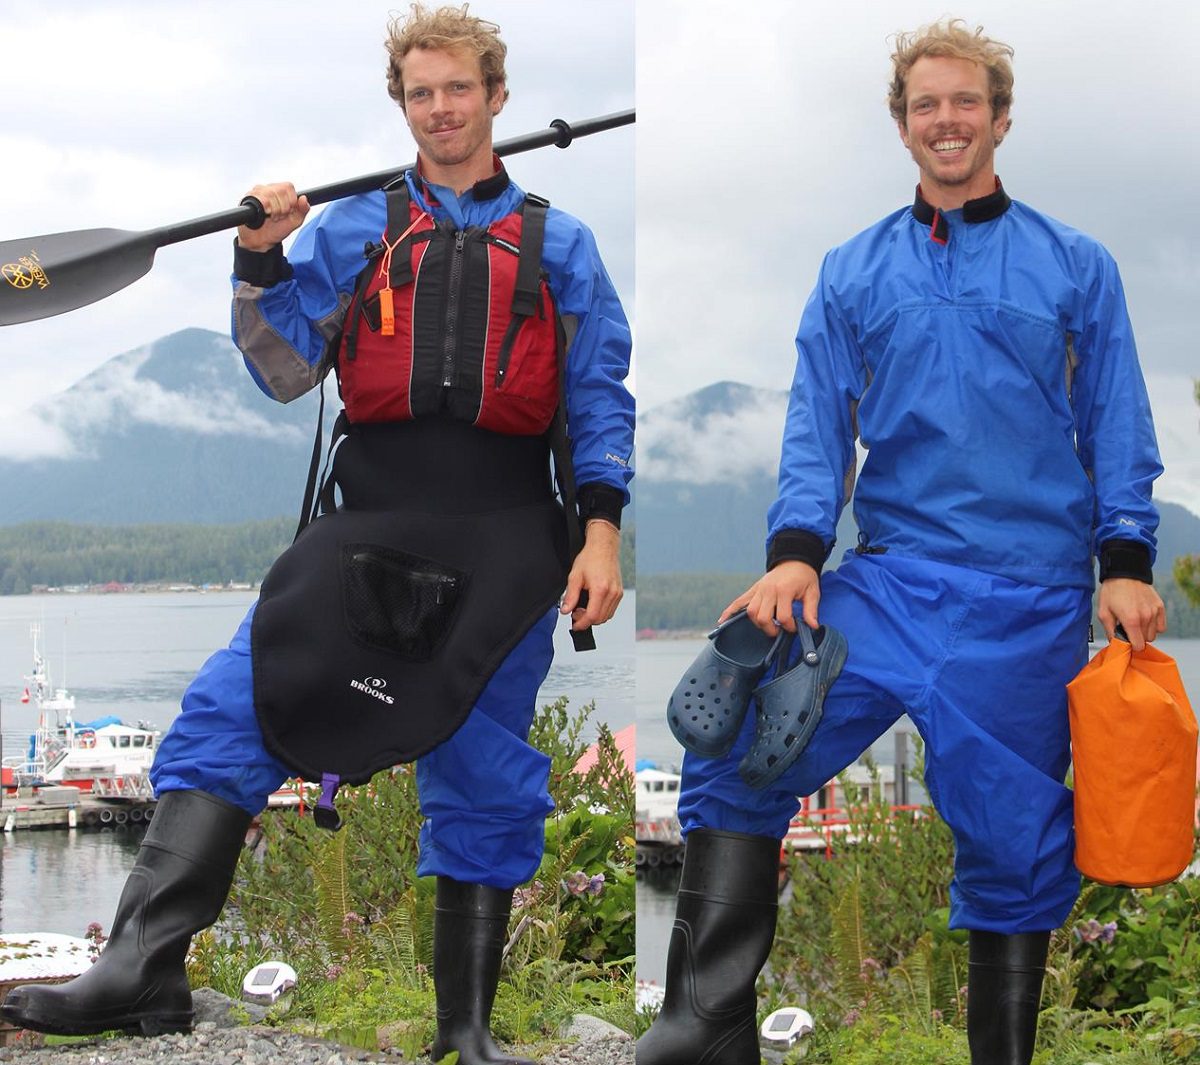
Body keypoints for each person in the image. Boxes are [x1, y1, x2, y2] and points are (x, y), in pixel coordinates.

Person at [1, 7, 633, 1065]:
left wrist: (601, 535)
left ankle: (466, 1030)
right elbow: (283, 367)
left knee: (483, 773)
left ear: (496, 97)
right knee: (225, 713)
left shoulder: (562, 245)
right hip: (365, 531)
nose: (441, 107)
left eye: (459, 89)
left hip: (508, 543)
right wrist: (259, 260)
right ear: (404, 106)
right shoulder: (356, 232)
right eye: (421, 92)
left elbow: (600, 400)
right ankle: (142, 969)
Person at [638, 18, 1164, 1065]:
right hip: (883, 587)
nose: (948, 120)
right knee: (733, 755)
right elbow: (817, 422)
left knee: (1013, 848)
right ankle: (704, 1027)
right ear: (902, 124)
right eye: (927, 105)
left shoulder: (1076, 266)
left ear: (1001, 117)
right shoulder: (850, 272)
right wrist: (796, 550)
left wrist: (1128, 562)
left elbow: (1117, 420)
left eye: (966, 102)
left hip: (1025, 598)